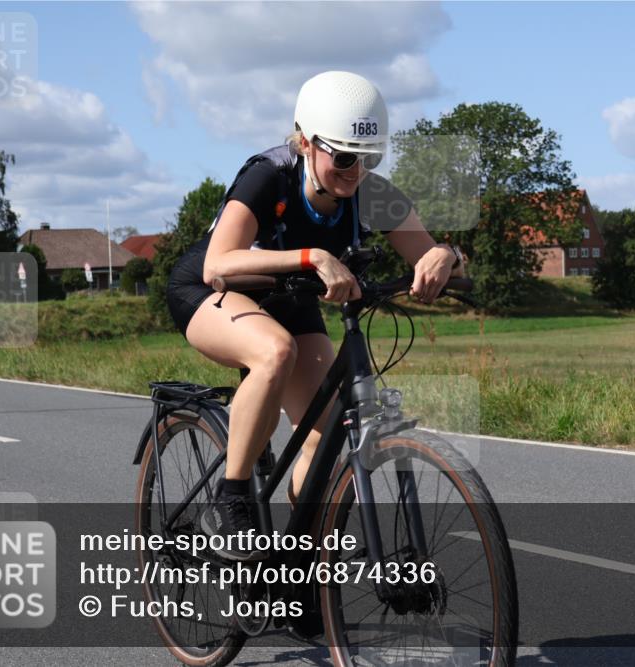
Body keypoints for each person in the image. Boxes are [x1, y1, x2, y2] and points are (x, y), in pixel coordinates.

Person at [166, 71, 464, 561]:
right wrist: (311, 257)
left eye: (369, 158)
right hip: (212, 288)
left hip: (291, 294)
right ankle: (229, 499)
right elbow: (218, 263)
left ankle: (298, 561)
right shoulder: (269, 177)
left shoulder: (370, 192)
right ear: (305, 142)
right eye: (343, 156)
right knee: (274, 351)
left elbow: (432, 256)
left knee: (326, 434)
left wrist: (445, 255)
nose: (355, 171)